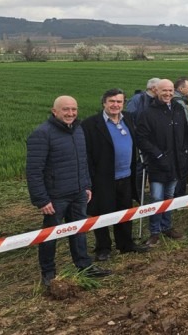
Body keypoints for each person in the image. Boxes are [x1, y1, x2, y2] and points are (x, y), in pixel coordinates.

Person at [26, 96, 111, 286]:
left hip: (79, 192)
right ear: (54, 111)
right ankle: (48, 274)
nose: (70, 113)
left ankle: (84, 266)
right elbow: (33, 171)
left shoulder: (78, 130)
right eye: (66, 109)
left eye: (74, 109)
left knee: (79, 231)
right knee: (50, 235)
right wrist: (41, 199)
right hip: (55, 197)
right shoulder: (42, 134)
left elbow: (83, 161)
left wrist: (87, 185)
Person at [82, 89, 149, 260]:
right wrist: (88, 180)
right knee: (102, 213)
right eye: (111, 101)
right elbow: (87, 155)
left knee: (125, 211)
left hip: (126, 175)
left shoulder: (129, 119)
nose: (115, 105)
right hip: (103, 178)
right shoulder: (91, 124)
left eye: (119, 102)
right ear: (104, 103)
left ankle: (126, 244)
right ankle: (103, 248)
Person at [136, 79, 188, 246]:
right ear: (156, 91)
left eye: (170, 90)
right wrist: (158, 155)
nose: (168, 94)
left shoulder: (178, 109)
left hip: (176, 162)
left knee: (169, 196)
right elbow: (142, 139)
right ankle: (154, 231)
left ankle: (167, 226)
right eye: (164, 91)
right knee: (157, 198)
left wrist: (184, 151)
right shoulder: (147, 113)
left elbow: (185, 133)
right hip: (158, 163)